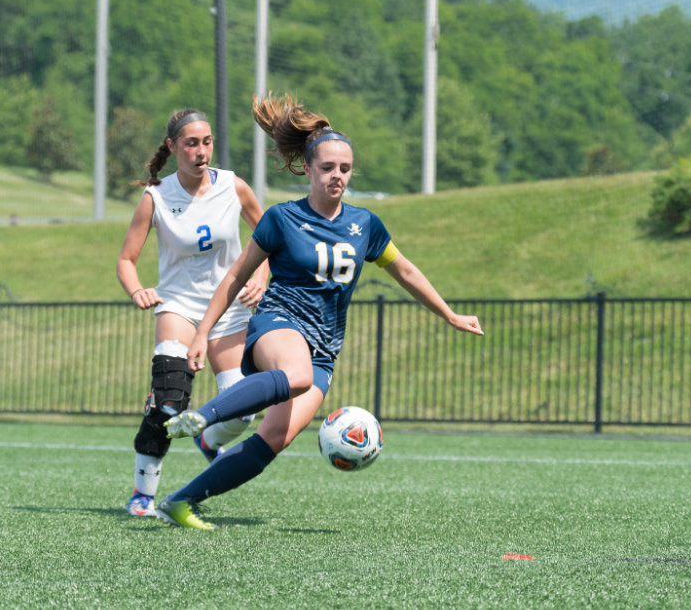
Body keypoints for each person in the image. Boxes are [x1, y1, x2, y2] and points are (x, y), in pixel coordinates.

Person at [154, 93, 484, 529]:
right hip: (279, 324)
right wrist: (202, 334)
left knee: (275, 437)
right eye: (327, 168)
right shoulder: (282, 219)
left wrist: (449, 314)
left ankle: (180, 501)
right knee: (297, 376)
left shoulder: (365, 224)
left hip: (325, 347)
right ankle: (205, 417)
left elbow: (404, 271)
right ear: (307, 169)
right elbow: (234, 278)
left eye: (344, 169)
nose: (337, 176)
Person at [117, 108, 269, 518]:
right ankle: (143, 493)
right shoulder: (156, 197)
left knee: (244, 409)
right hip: (179, 307)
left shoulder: (233, 186)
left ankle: (208, 440)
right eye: (190, 143)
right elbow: (127, 260)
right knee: (169, 401)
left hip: (231, 310)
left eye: (207, 142)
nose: (201, 151)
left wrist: (263, 274)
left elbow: (268, 235)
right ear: (172, 146)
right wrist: (137, 290)